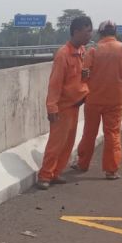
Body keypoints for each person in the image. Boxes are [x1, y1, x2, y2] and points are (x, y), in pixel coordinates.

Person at [73, 20, 122, 179]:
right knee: (112, 134)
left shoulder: (93, 50)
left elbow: (84, 74)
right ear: (115, 32)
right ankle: (111, 170)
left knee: (89, 133)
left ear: (100, 33)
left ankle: (82, 164)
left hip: (93, 99)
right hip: (115, 100)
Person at [36, 16, 93, 190]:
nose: (90, 35)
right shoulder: (63, 54)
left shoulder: (82, 51)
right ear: (76, 32)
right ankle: (45, 176)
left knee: (68, 144)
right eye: (87, 31)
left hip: (75, 105)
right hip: (62, 107)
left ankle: (55, 173)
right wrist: (51, 106)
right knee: (56, 144)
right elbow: (55, 83)